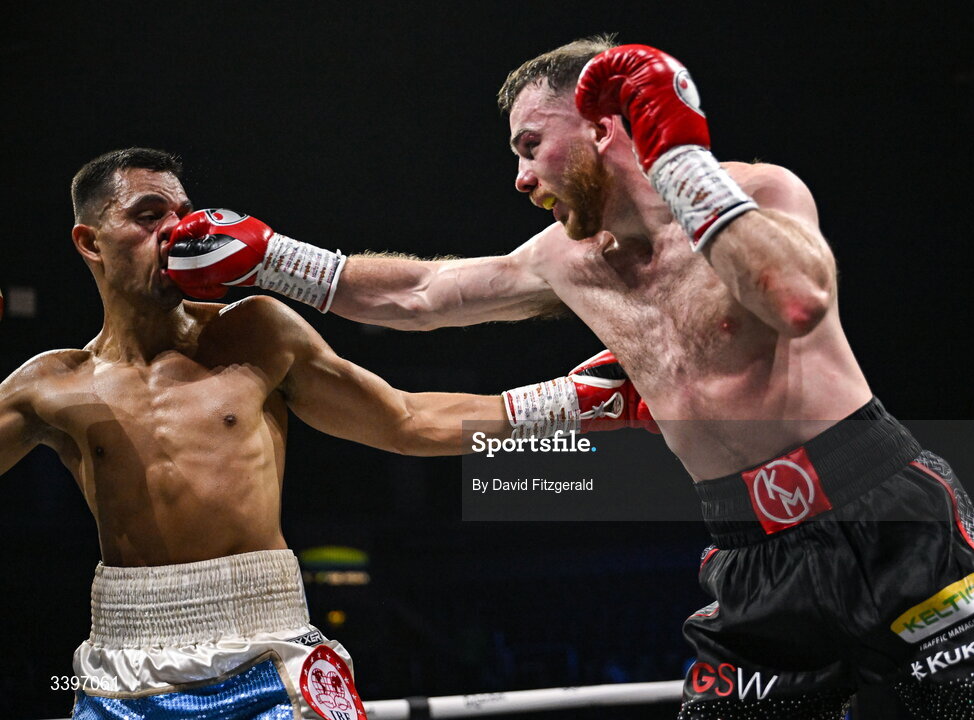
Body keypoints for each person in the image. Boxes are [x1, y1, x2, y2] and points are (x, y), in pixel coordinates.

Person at [171, 38, 974, 718]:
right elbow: (423, 295)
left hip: (884, 517)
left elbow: (798, 301)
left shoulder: (758, 191)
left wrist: (682, 159)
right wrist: (277, 259)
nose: (521, 177)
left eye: (531, 145)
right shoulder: (563, 260)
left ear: (606, 124)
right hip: (752, 560)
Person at [0, 147, 648, 719]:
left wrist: (572, 404)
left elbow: (407, 422)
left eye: (183, 213)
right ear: (90, 242)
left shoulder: (254, 332)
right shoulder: (50, 386)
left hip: (265, 648)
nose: (176, 230)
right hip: (124, 664)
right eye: (147, 216)